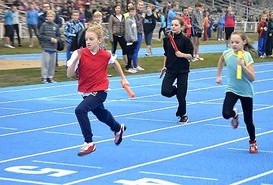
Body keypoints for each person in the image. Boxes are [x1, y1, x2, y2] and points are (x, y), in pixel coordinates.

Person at [66, 23, 129, 156]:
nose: (88, 42)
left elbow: (115, 62)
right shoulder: (79, 54)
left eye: (91, 39)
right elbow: (69, 74)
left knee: (80, 110)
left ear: (99, 40)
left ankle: (89, 142)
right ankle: (118, 128)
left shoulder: (105, 54)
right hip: (86, 91)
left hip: (100, 90)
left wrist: (123, 78)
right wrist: (75, 61)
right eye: (86, 39)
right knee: (101, 115)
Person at [216, 31, 258, 154]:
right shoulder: (227, 53)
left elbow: (252, 78)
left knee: (248, 120)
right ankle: (234, 113)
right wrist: (218, 75)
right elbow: (221, 61)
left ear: (244, 42)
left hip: (245, 91)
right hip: (232, 88)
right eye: (232, 42)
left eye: (237, 42)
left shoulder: (247, 56)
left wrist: (243, 67)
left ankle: (252, 141)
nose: (234, 44)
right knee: (225, 113)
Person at [161, 17, 193, 124]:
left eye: (176, 25)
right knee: (165, 91)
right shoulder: (167, 39)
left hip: (183, 70)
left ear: (181, 27)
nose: (173, 27)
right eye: (172, 25)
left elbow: (190, 56)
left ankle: (182, 114)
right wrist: (164, 66)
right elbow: (166, 54)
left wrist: (182, 55)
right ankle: (177, 91)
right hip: (170, 69)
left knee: (182, 95)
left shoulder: (186, 40)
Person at [39, 10, 62, 83]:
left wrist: (56, 40)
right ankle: (44, 77)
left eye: (51, 16)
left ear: (54, 17)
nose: (50, 18)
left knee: (52, 64)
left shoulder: (56, 26)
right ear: (46, 17)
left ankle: (50, 77)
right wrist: (50, 39)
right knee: (45, 63)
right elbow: (41, 35)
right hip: (46, 47)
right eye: (48, 16)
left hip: (54, 48)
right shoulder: (43, 25)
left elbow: (59, 36)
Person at [124, 7, 138, 73]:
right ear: (129, 12)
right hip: (130, 40)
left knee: (132, 54)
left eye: (134, 12)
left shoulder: (133, 19)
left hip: (135, 39)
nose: (132, 13)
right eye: (131, 12)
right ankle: (128, 67)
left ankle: (131, 66)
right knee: (129, 54)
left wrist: (136, 38)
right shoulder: (128, 20)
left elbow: (134, 30)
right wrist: (132, 39)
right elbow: (128, 31)